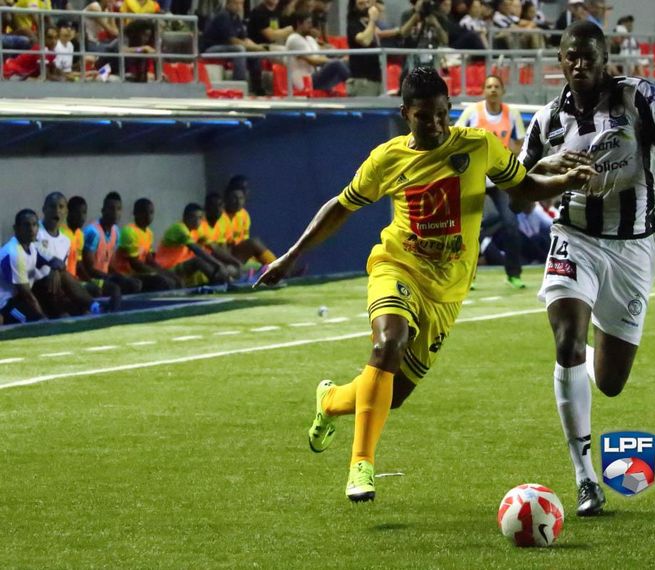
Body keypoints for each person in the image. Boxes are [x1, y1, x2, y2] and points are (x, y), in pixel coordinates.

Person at [253, 66, 595, 503]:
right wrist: (291, 256)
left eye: (440, 115)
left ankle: (332, 400)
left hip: (447, 291)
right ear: (405, 114)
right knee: (387, 343)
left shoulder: (478, 146)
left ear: (449, 110)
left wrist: (561, 182)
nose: (434, 125)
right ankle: (362, 464)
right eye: (422, 117)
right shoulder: (387, 159)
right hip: (398, 266)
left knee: (390, 395)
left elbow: (523, 187)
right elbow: (341, 206)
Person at [518, 21, 655, 516]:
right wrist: (553, 174)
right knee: (566, 343)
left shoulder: (637, 98)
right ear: (560, 60)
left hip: (633, 249)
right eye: (571, 56)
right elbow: (517, 191)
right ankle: (585, 477)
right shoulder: (545, 122)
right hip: (573, 238)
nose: (580, 65)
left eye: (589, 57)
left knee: (612, 381)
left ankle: (593, 344)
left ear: (605, 60)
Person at [455, 74, 528, 288]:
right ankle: (467, 276)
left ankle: (513, 274)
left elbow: (520, 144)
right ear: (483, 91)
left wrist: (506, 156)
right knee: (469, 227)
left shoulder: (511, 114)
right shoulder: (472, 113)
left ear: (502, 91)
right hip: (475, 177)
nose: (493, 89)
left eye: (497, 86)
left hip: (500, 178)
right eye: (489, 86)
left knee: (511, 223)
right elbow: (455, 137)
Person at [33, 192, 95, 317]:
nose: (57, 210)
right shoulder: (34, 231)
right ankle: (93, 305)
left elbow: (61, 270)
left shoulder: (65, 241)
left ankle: (94, 306)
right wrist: (54, 270)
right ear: (44, 209)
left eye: (61, 207)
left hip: (56, 289)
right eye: (52, 206)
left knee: (83, 311)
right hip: (35, 287)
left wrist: (56, 271)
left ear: (66, 211)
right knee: (65, 315)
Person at [65, 195, 121, 310]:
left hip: (78, 280)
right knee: (97, 290)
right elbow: (88, 266)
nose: (82, 217)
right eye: (77, 213)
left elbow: (79, 264)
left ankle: (113, 317)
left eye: (84, 213)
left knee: (115, 288)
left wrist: (90, 280)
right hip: (67, 283)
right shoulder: (63, 235)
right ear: (68, 213)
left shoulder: (79, 235)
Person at [114, 198, 182, 291]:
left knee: (174, 278)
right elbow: (135, 264)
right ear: (135, 213)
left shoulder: (149, 233)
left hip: (139, 273)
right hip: (125, 275)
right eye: (144, 212)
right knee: (162, 281)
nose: (148, 216)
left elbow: (149, 260)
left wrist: (165, 272)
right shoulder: (129, 231)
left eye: (151, 212)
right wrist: (158, 274)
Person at [82, 192, 143, 295]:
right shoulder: (93, 232)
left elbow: (108, 263)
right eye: (111, 208)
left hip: (106, 277)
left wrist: (120, 276)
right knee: (117, 288)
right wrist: (113, 278)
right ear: (103, 211)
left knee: (136, 283)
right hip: (91, 278)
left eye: (118, 209)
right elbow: (89, 269)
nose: (115, 212)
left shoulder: (116, 232)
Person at [156, 203, 232, 286]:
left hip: (179, 266)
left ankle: (223, 280)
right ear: (186, 217)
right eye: (197, 217)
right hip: (166, 269)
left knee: (207, 259)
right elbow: (197, 250)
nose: (200, 221)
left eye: (201, 218)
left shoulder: (194, 230)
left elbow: (212, 247)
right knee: (198, 261)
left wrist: (231, 262)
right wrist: (219, 264)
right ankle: (220, 283)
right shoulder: (179, 228)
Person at [201, 0, 265, 94]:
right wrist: (255, 47)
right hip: (210, 49)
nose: (239, 6)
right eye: (236, 3)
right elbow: (233, 40)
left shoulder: (236, 18)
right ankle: (239, 85)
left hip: (226, 48)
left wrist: (258, 47)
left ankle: (257, 88)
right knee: (239, 50)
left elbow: (244, 39)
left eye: (241, 3)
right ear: (228, 4)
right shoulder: (223, 16)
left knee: (254, 54)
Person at [0, 210, 48, 325]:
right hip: (5, 303)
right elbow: (26, 294)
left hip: (17, 298)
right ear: (16, 228)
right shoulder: (13, 253)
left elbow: (49, 262)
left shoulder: (32, 247)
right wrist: (43, 319)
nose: (31, 229)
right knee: (34, 323)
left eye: (34, 224)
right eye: (26, 225)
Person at [283, 11, 350, 92]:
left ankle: (355, 83)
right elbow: (313, 61)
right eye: (308, 23)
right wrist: (337, 61)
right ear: (299, 24)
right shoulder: (294, 39)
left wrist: (340, 56)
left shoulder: (310, 39)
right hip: (304, 81)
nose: (311, 26)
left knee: (348, 62)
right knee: (337, 64)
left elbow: (321, 55)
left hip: (315, 76)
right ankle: (353, 84)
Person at [223, 176, 278, 266]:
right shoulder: (221, 216)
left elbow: (244, 240)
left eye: (241, 197)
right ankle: (281, 269)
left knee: (258, 249)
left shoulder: (244, 215)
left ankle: (283, 269)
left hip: (241, 254)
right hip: (226, 256)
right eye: (242, 189)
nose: (246, 192)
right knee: (254, 242)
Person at [198, 192, 242, 275]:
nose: (219, 209)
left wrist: (230, 262)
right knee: (227, 270)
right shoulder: (200, 225)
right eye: (214, 206)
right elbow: (214, 249)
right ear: (206, 208)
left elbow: (224, 246)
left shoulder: (222, 223)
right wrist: (236, 262)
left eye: (221, 205)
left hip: (214, 260)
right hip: (200, 262)